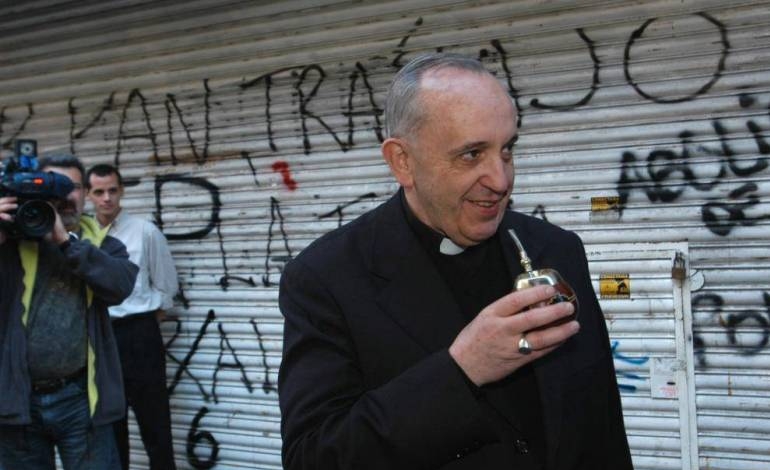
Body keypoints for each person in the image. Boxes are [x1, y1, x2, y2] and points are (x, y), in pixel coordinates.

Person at [278, 53, 633, 469]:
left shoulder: (556, 248)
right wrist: (461, 370)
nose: (501, 180)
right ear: (402, 162)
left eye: (507, 150)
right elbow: (313, 457)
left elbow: (602, 425)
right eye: (471, 154)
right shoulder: (325, 278)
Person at [0, 153, 137, 470]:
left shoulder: (101, 243)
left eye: (71, 186)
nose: (63, 196)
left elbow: (120, 286)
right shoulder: (9, 243)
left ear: (85, 193)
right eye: (52, 186)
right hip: (18, 399)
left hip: (80, 399)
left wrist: (65, 241)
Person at [85, 164, 178, 470]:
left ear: (122, 190)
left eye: (112, 190)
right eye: (99, 192)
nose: (107, 198)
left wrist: (144, 326)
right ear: (88, 195)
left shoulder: (145, 232)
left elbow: (166, 288)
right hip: (100, 337)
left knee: (155, 425)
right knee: (111, 429)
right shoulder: (81, 237)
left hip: (140, 335)